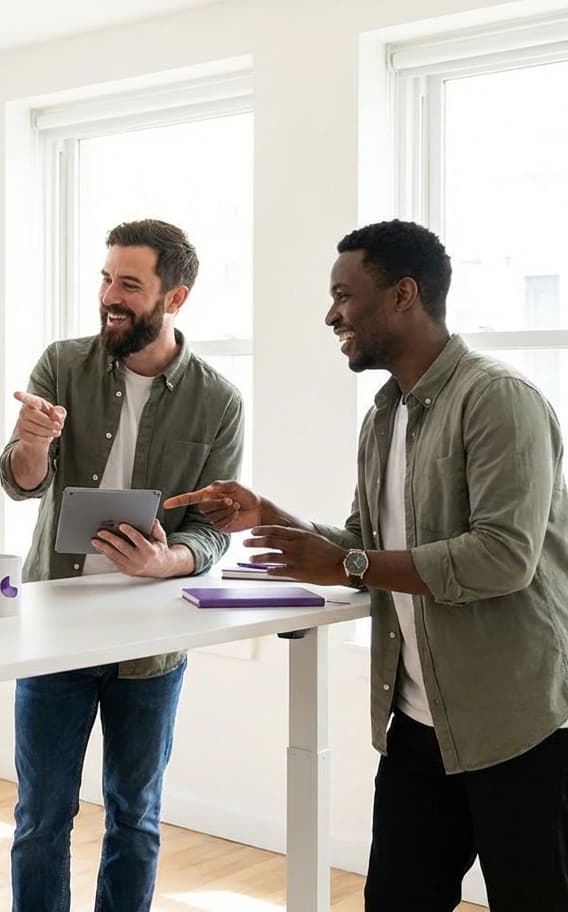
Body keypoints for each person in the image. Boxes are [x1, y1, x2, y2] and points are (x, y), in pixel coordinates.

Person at [166, 220, 568, 912]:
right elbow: (362, 540)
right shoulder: (386, 415)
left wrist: (348, 560)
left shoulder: (498, 399)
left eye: (344, 296)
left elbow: (503, 558)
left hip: (517, 723)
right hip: (417, 722)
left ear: (404, 295)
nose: (332, 315)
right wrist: (269, 515)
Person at [0, 219, 245, 912]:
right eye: (107, 279)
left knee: (134, 818)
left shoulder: (219, 401)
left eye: (129, 284)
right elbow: (22, 483)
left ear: (176, 298)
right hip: (55, 631)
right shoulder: (61, 364)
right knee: (40, 819)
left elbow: (212, 529)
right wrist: (31, 443)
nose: (111, 295)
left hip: (149, 642)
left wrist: (171, 559)